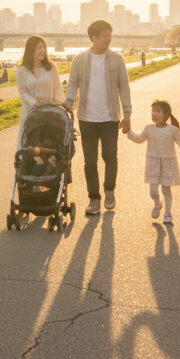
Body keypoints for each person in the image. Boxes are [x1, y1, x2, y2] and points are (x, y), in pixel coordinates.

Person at [64, 19, 132, 215]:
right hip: (87, 118)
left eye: (110, 36)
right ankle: (94, 199)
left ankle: (109, 191)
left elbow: (124, 88)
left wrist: (127, 115)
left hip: (110, 118)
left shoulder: (117, 59)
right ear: (93, 38)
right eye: (104, 36)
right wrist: (68, 104)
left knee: (110, 157)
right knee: (90, 161)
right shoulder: (79, 60)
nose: (108, 40)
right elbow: (72, 84)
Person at [127, 99, 180, 225]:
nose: (155, 114)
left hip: (167, 164)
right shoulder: (148, 128)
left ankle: (168, 213)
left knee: (166, 190)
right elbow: (139, 139)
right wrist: (129, 132)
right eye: (153, 111)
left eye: (158, 111)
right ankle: (157, 203)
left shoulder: (172, 130)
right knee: (153, 191)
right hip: (153, 163)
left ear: (166, 114)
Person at [15, 35, 64, 131]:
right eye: (39, 48)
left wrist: (61, 104)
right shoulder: (21, 70)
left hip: (49, 112)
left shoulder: (51, 67)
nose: (43, 51)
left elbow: (57, 88)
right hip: (30, 112)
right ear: (31, 50)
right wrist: (34, 103)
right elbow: (23, 93)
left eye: (44, 47)